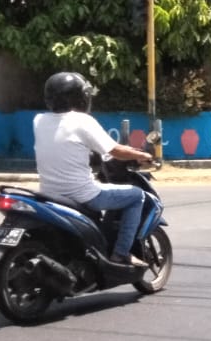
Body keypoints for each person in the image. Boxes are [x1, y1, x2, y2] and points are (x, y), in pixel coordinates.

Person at [32, 72, 156, 271]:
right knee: (136, 196)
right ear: (79, 97)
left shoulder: (39, 121)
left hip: (50, 194)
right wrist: (141, 155)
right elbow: (114, 150)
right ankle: (121, 254)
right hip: (83, 194)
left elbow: (63, 145)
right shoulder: (83, 121)